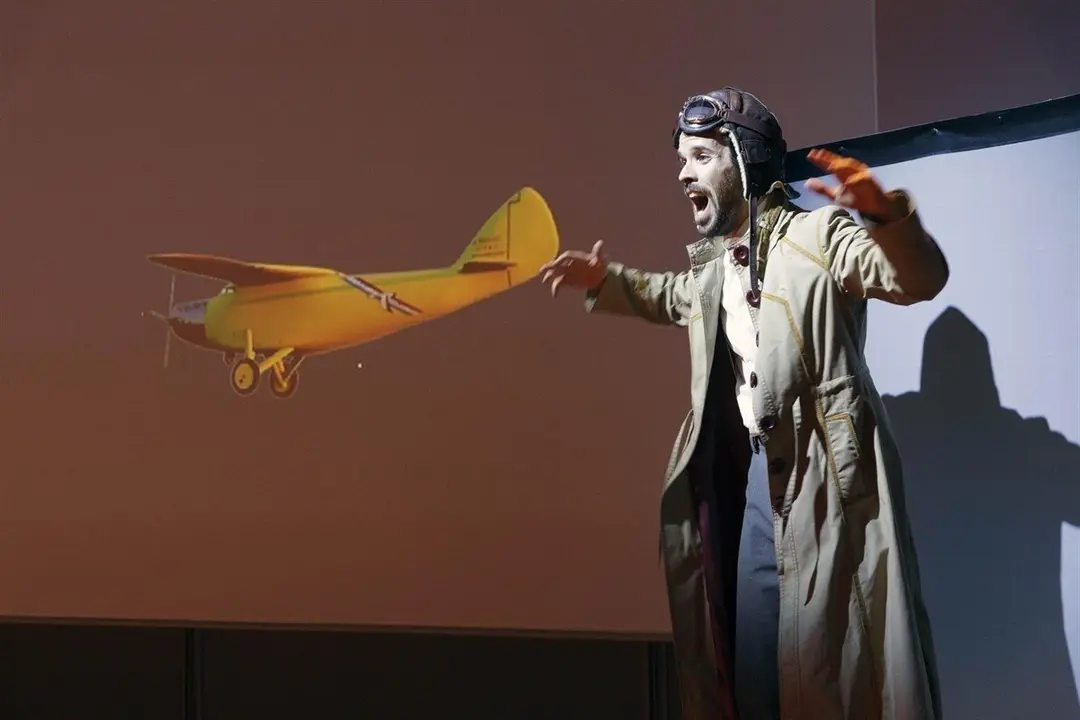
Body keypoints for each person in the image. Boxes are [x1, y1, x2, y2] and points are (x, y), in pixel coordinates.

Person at [540, 88, 947, 719]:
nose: (684, 174)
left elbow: (916, 278)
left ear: (746, 161)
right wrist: (604, 281)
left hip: (825, 479)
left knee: (833, 669)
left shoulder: (818, 235)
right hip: (761, 481)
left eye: (701, 157)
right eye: (682, 160)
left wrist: (884, 214)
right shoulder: (715, 269)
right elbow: (670, 295)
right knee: (756, 668)